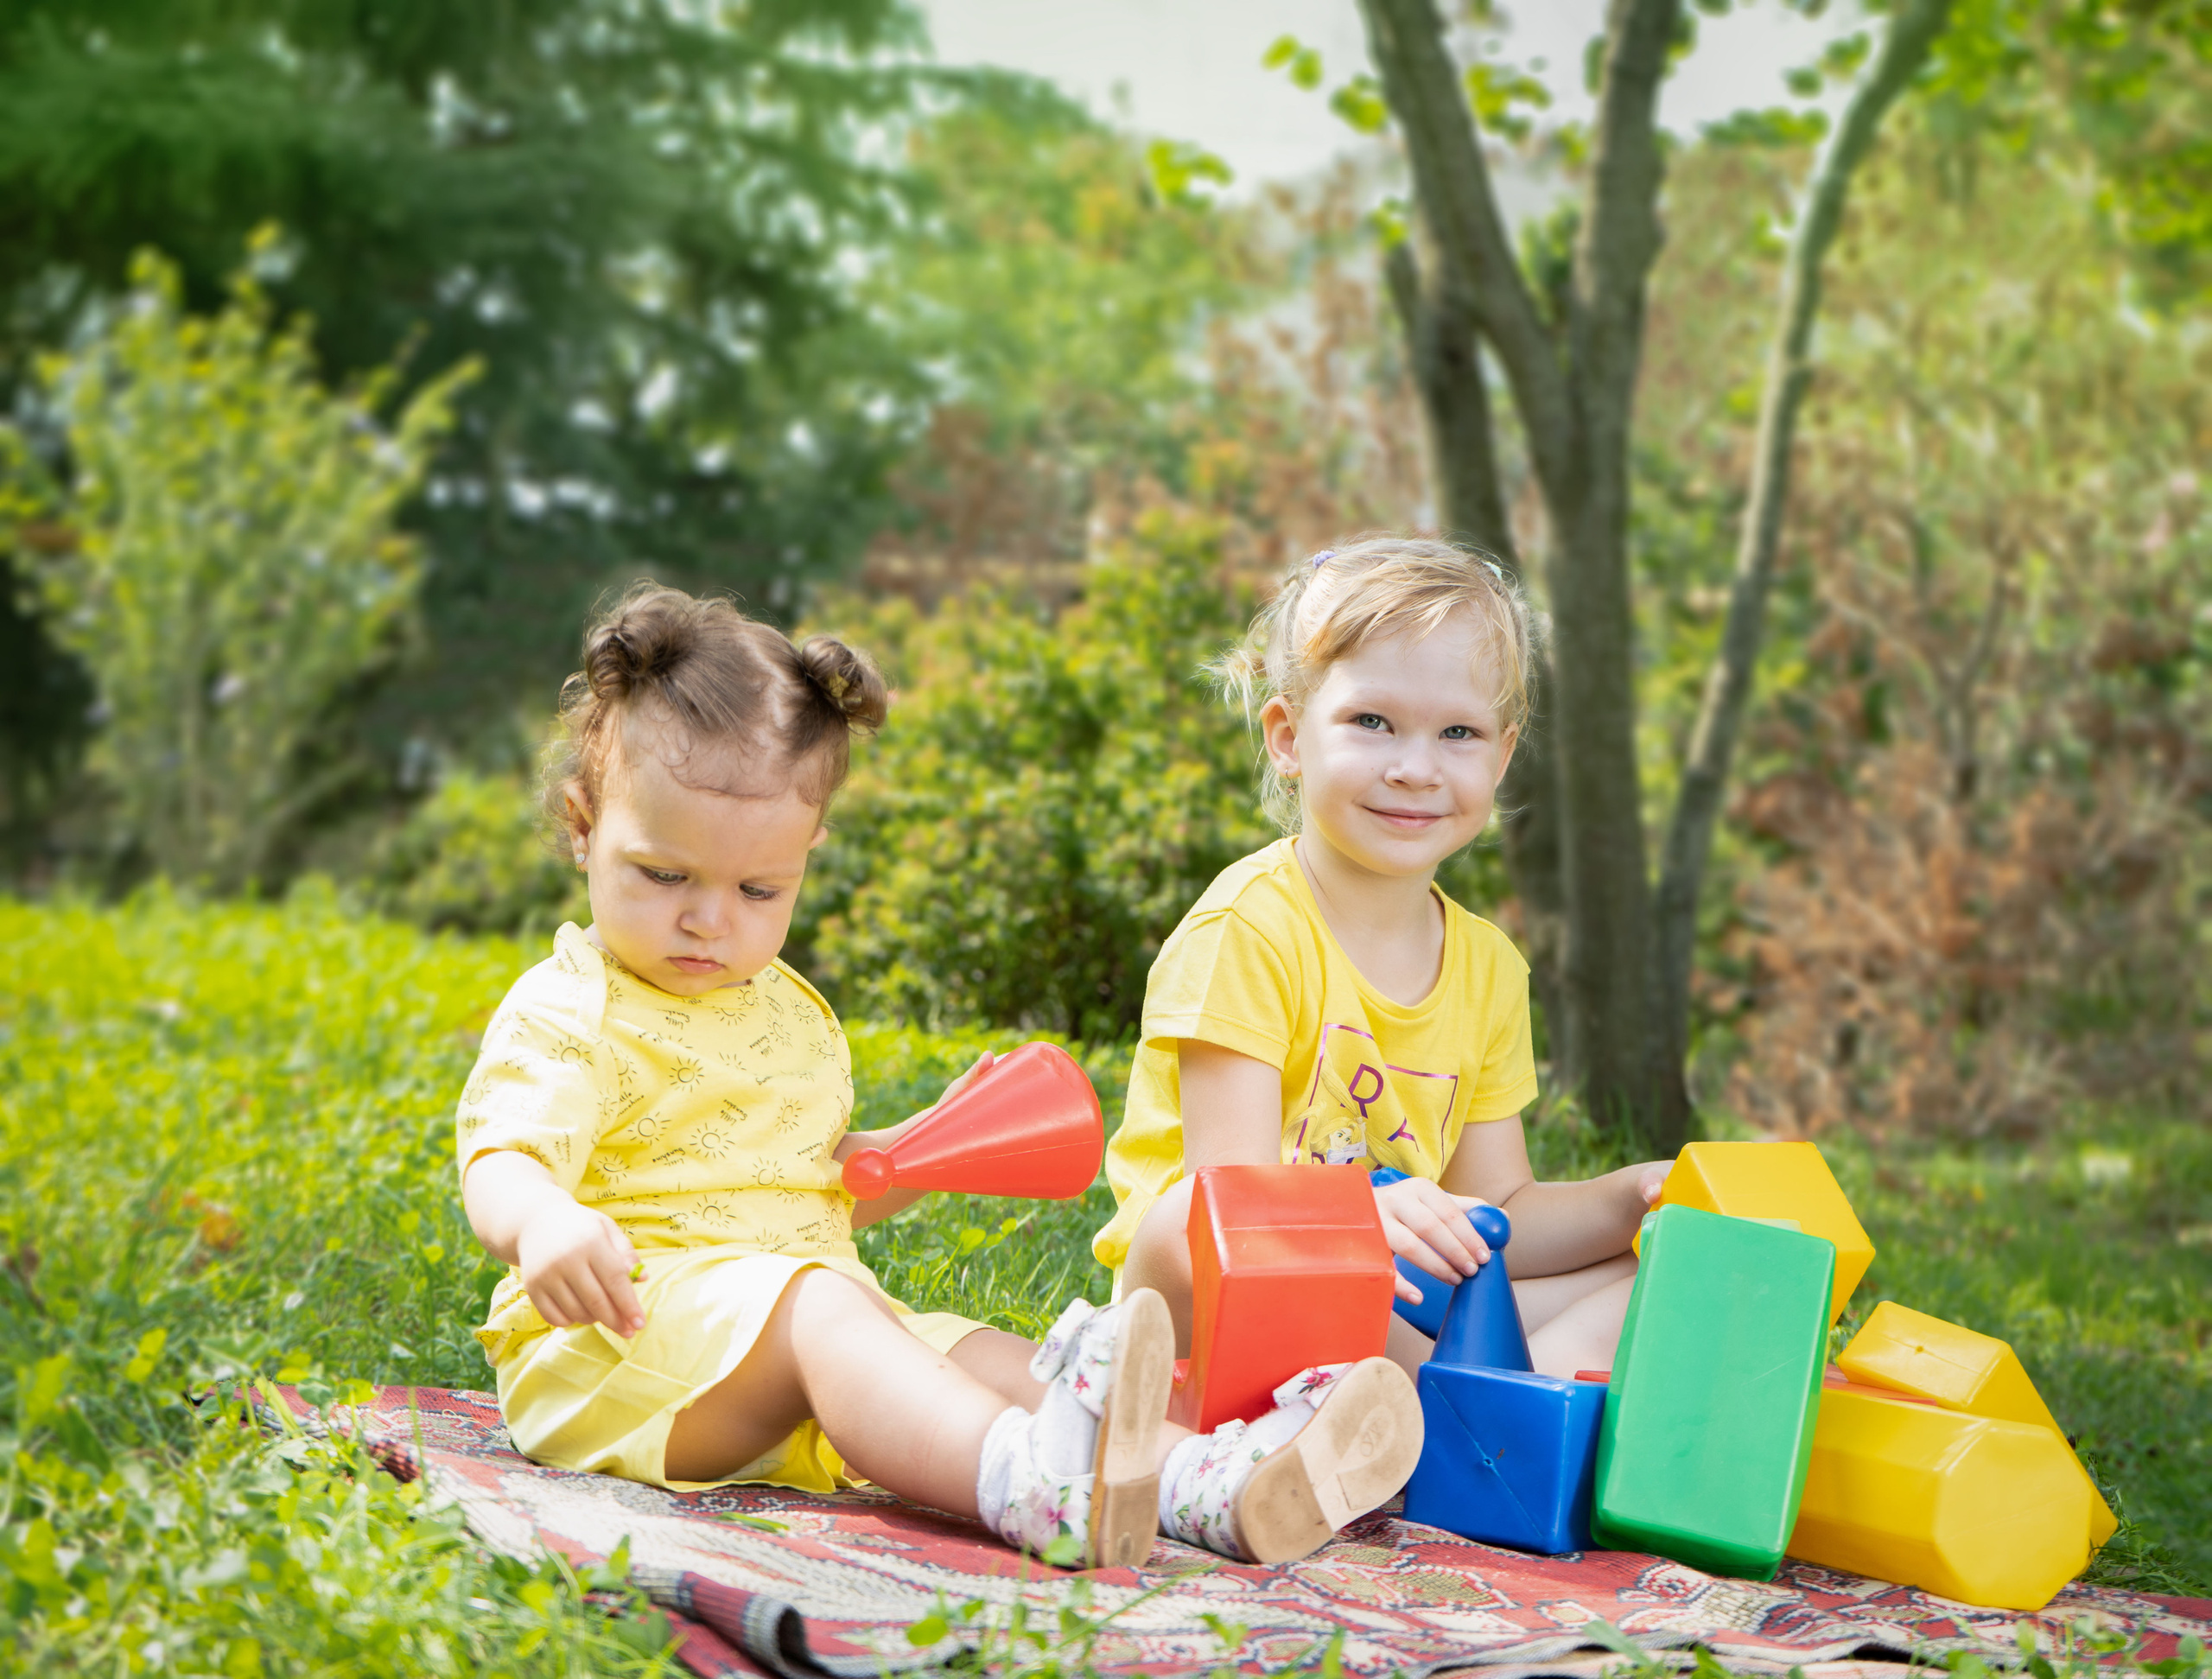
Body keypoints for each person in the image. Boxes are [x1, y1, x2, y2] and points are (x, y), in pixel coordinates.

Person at [455, 583, 1421, 1568]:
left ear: (805, 855)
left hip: (767, 1338)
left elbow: (802, 1187)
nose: (710, 918)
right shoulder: (575, 1004)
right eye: (665, 876)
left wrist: (900, 1157)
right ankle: (1032, 1484)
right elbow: (502, 1156)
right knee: (832, 1310)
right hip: (611, 1354)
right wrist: (542, 1220)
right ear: (583, 822)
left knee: (968, 1347)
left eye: (758, 888)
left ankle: (1201, 1481)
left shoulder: (784, 1005)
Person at [1096, 538, 1669, 1381]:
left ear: (1502, 754)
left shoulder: (1486, 965)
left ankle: (1475, 1402)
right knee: (1186, 1215)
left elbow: (1498, 1209)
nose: (1413, 768)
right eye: (1372, 721)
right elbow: (1229, 1205)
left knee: (1653, 1278)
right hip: (1209, 1308)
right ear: (1289, 737)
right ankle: (1466, 1396)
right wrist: (1359, 1205)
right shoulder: (1248, 928)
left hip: (1385, 1302)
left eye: (1458, 732)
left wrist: (1627, 1198)